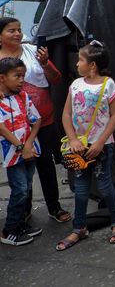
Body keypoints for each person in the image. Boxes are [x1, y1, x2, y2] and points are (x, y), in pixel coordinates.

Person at [0, 18, 71, 224]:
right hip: (14, 126)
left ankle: (54, 206)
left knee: (46, 164)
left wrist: (45, 63)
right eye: (11, 30)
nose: (17, 34)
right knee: (22, 168)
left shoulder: (33, 51)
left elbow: (56, 79)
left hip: (44, 119)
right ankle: (24, 209)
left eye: (19, 30)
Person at [57, 41, 115, 250]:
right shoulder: (76, 85)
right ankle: (79, 227)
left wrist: (101, 141)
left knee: (104, 185)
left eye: (81, 60)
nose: (77, 64)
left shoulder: (108, 85)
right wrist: (73, 139)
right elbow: (66, 114)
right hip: (79, 147)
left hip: (102, 146)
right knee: (81, 187)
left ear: (93, 65)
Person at [0, 58, 42, 246]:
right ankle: (9, 230)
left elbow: (37, 120)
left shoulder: (23, 96)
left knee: (26, 187)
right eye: (16, 76)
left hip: (30, 150)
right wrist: (20, 146)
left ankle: (20, 223)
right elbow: (2, 128)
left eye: (23, 76)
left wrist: (29, 144)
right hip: (12, 154)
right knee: (20, 190)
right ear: (2, 78)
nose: (21, 80)